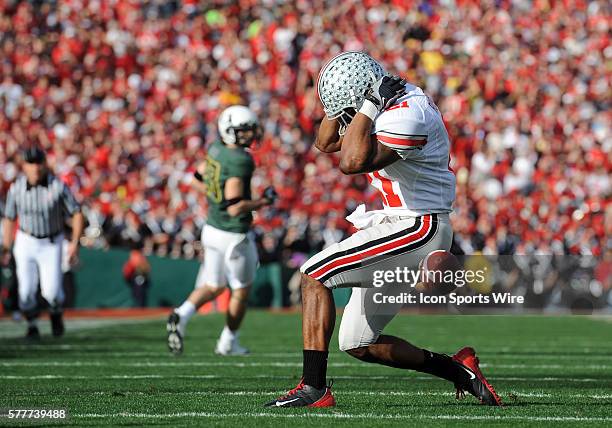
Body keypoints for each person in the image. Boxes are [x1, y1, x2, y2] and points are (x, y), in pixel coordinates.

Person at [265, 51, 502, 407]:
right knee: (358, 343)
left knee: (314, 275)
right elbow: (325, 143)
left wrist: (368, 105)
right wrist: (342, 104)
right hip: (400, 221)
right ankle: (460, 371)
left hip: (420, 226)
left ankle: (313, 388)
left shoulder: (410, 113)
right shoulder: (381, 100)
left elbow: (351, 161)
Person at [167, 105, 277, 355]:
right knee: (241, 289)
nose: (251, 134)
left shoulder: (215, 149)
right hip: (234, 235)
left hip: (212, 229)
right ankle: (228, 341)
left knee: (214, 285)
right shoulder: (241, 160)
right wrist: (263, 201)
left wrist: (215, 197)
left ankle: (180, 316)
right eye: (245, 131)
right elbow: (235, 207)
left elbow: (197, 179)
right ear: (232, 132)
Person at [1, 146, 84, 339]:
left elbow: (77, 212)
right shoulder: (16, 188)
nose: (35, 168)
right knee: (26, 291)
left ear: (44, 165)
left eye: (38, 162)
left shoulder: (58, 186)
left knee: (53, 292)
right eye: (31, 163)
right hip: (26, 240)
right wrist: (6, 246)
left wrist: (74, 242)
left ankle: (55, 312)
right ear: (24, 166)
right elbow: (9, 218)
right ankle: (32, 325)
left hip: (51, 241)